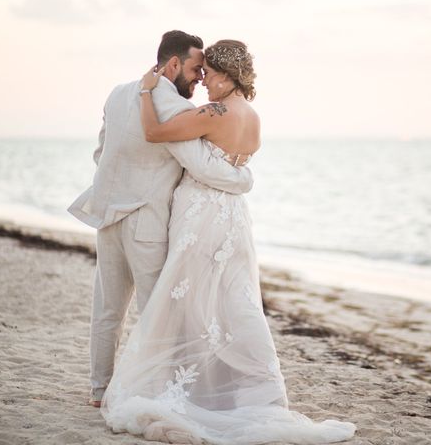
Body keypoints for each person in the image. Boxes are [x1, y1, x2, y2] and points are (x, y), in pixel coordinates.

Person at [101, 40, 356, 444]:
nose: (203, 83)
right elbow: (234, 169)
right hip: (234, 220)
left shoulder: (213, 113)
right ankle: (245, 393)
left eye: (209, 75)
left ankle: (189, 389)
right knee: (235, 303)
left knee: (186, 303)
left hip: (201, 215)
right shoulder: (252, 117)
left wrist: (148, 90)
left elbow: (154, 132)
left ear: (225, 75)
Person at [68, 31, 254, 408]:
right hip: (146, 221)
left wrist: (117, 187)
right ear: (173, 64)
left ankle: (99, 390)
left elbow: (102, 151)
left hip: (108, 214)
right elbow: (202, 167)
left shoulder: (120, 93)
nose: (200, 78)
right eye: (195, 69)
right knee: (156, 312)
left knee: (106, 310)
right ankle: (154, 391)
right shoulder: (179, 111)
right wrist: (243, 178)